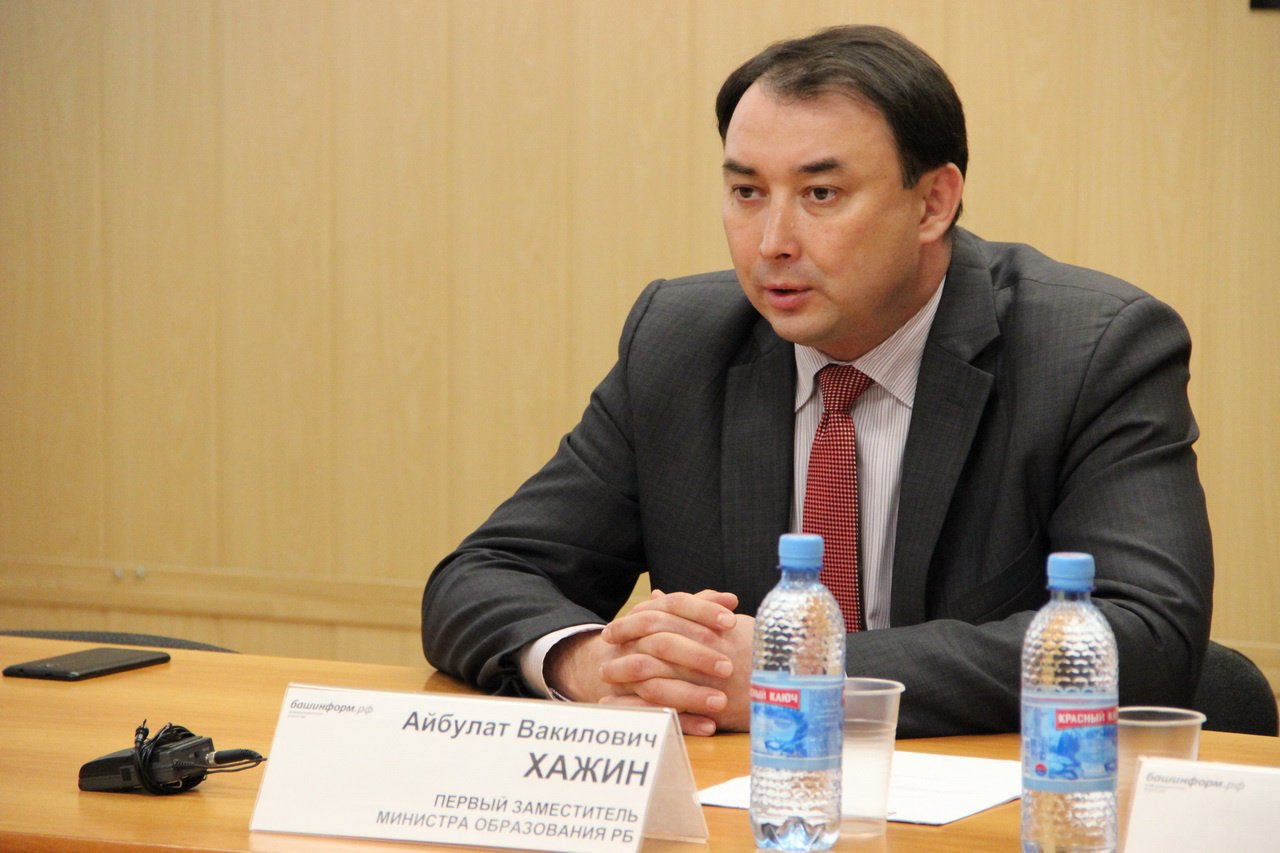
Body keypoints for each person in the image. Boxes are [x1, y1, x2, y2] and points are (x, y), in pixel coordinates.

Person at [420, 25, 1213, 739]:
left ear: (933, 203)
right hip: (750, 804)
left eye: (820, 194)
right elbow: (482, 577)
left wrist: (797, 671)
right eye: (747, 192)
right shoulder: (681, 342)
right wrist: (599, 663)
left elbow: (1148, 638)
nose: (771, 241)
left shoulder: (1090, 351)